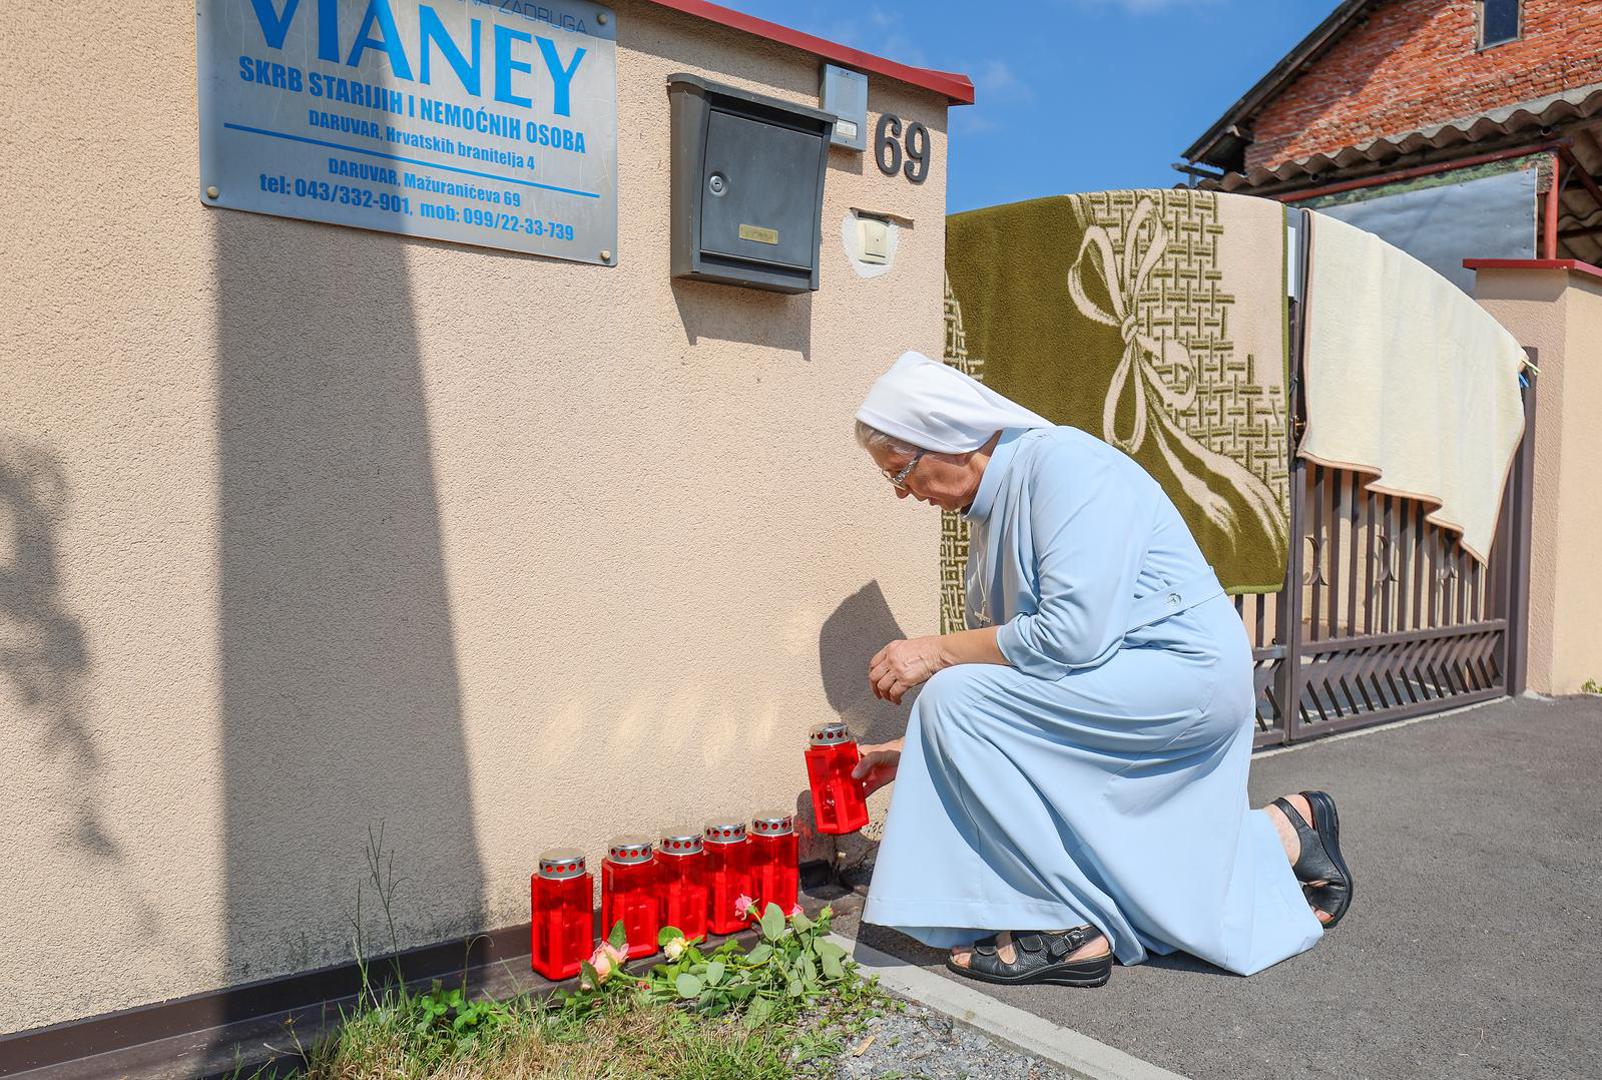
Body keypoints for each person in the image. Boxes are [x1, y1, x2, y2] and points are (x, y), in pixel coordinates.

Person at [849, 351, 1352, 987]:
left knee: (951, 697)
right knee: (957, 710)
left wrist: (937, 652)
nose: (905, 495)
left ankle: (1063, 925)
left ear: (947, 437)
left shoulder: (1064, 463)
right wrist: (921, 746)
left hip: (1183, 676)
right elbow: (1017, 672)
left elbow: (1069, 637)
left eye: (903, 473)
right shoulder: (993, 507)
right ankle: (1287, 832)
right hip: (1126, 677)